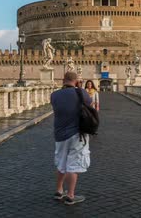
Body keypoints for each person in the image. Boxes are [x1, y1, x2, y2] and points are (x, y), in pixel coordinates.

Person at [50, 72, 92, 205]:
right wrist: (79, 89)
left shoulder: (54, 95)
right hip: (77, 134)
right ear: (77, 81)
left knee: (61, 162)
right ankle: (70, 195)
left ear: (63, 80)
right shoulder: (82, 93)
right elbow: (89, 104)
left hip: (60, 134)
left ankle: (58, 190)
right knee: (73, 165)